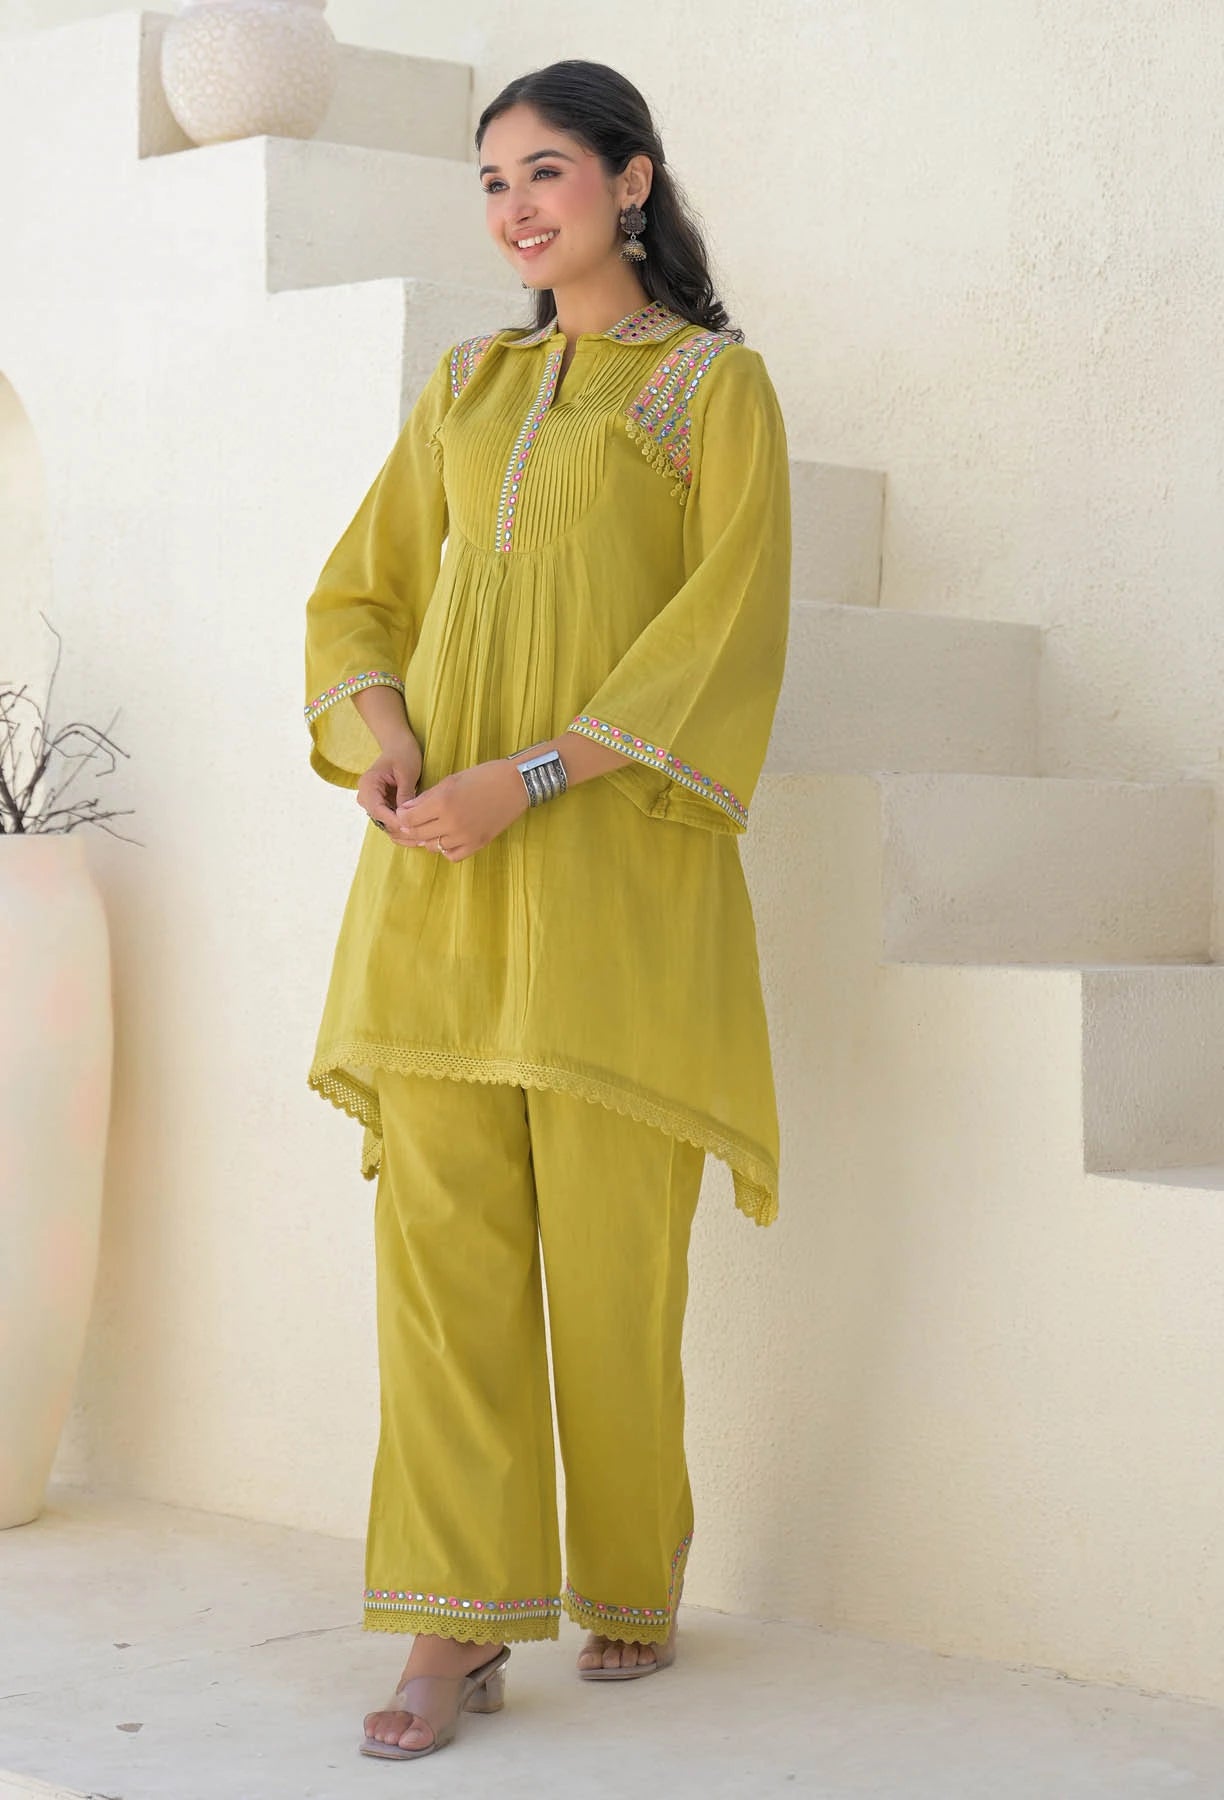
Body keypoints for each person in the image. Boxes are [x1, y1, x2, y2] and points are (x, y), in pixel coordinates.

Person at [302, 57, 792, 1762]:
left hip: (607, 889)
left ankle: (625, 1579)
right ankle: (451, 1628)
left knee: (607, 1267)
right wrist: (383, 741)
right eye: (494, 181)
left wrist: (541, 774)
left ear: (632, 181)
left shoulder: (711, 391)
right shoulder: (461, 384)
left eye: (548, 174)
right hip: (435, 882)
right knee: (441, 1271)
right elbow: (361, 591)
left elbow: (724, 637)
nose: (516, 208)